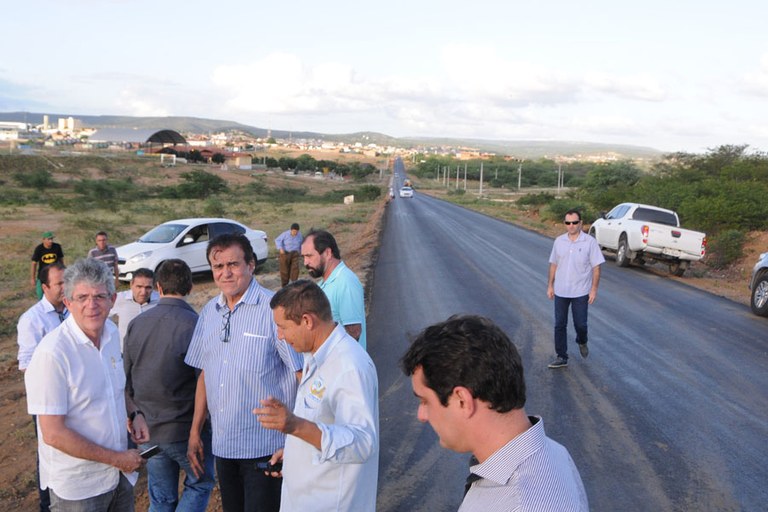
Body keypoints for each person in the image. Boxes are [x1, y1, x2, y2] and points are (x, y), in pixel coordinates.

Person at [400, 315, 589, 511]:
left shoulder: (519, 505)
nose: (421, 415)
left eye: (425, 401)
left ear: (462, 401)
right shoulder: (554, 452)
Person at [184, 233, 303, 512]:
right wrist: (195, 432)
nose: (225, 273)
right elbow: (205, 375)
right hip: (224, 447)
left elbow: (302, 376)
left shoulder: (275, 311)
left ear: (251, 265)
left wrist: (298, 439)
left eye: (233, 264)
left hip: (267, 449)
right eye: (218, 266)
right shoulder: (209, 313)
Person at [24, 258, 150, 511]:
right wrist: (117, 459)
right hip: (80, 489)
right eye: (82, 297)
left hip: (119, 477)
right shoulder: (52, 354)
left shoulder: (111, 334)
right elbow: (53, 434)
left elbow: (115, 385)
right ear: (68, 302)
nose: (91, 305)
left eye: (99, 296)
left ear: (112, 300)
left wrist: (134, 413)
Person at [255, 279, 379, 511]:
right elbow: (322, 422)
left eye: (283, 327)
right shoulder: (315, 355)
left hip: (330, 503)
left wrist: (294, 426)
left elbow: (362, 442)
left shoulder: (349, 366)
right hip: (306, 498)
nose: (280, 336)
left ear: (307, 321)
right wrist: (295, 452)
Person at [123, 259, 215, 511]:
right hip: (184, 431)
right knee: (201, 483)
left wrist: (133, 416)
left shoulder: (137, 323)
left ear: (158, 287)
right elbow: (205, 383)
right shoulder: (196, 325)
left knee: (161, 498)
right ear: (190, 287)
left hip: (148, 431)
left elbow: (126, 378)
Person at [17, 261, 68, 512]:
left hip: (76, 396)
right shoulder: (32, 320)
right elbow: (27, 365)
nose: (65, 287)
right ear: (45, 287)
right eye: (59, 283)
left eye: (67, 281)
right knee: (48, 452)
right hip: (48, 399)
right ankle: (47, 504)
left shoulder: (72, 312)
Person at [546, 209, 605, 369]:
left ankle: (582, 340)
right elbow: (554, 264)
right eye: (568, 222)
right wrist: (550, 285)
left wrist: (594, 289)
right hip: (561, 291)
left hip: (581, 291)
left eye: (574, 222)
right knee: (559, 324)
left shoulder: (589, 242)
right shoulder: (559, 241)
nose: (571, 225)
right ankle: (561, 356)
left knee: (581, 325)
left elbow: (596, 268)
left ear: (580, 223)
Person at [300, 230, 367, 350]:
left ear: (327, 253)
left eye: (309, 256)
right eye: (303, 257)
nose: (305, 262)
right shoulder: (324, 284)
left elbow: (354, 332)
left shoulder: (345, 282)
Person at [110, 268, 159, 351]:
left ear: (153, 287)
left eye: (148, 287)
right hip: (124, 352)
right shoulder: (119, 299)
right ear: (131, 285)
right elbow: (102, 316)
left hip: (150, 353)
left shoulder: (160, 302)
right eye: (139, 287)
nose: (143, 292)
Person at [30, 231, 64, 299]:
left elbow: (61, 260)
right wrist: (33, 278)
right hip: (42, 275)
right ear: (43, 240)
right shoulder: (39, 249)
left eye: (51, 239)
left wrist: (62, 271)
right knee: (40, 294)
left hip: (54, 274)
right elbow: (34, 263)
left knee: (55, 293)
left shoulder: (57, 247)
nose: (51, 241)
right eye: (48, 239)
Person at [275, 222, 304, 287]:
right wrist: (280, 248)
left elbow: (301, 243)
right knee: (284, 270)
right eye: (293, 231)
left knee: (295, 270)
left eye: (296, 231)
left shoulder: (300, 235)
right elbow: (277, 240)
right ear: (291, 230)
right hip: (285, 253)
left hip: (295, 254)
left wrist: (301, 252)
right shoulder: (285, 234)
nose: (295, 233)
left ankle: (294, 284)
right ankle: (285, 286)